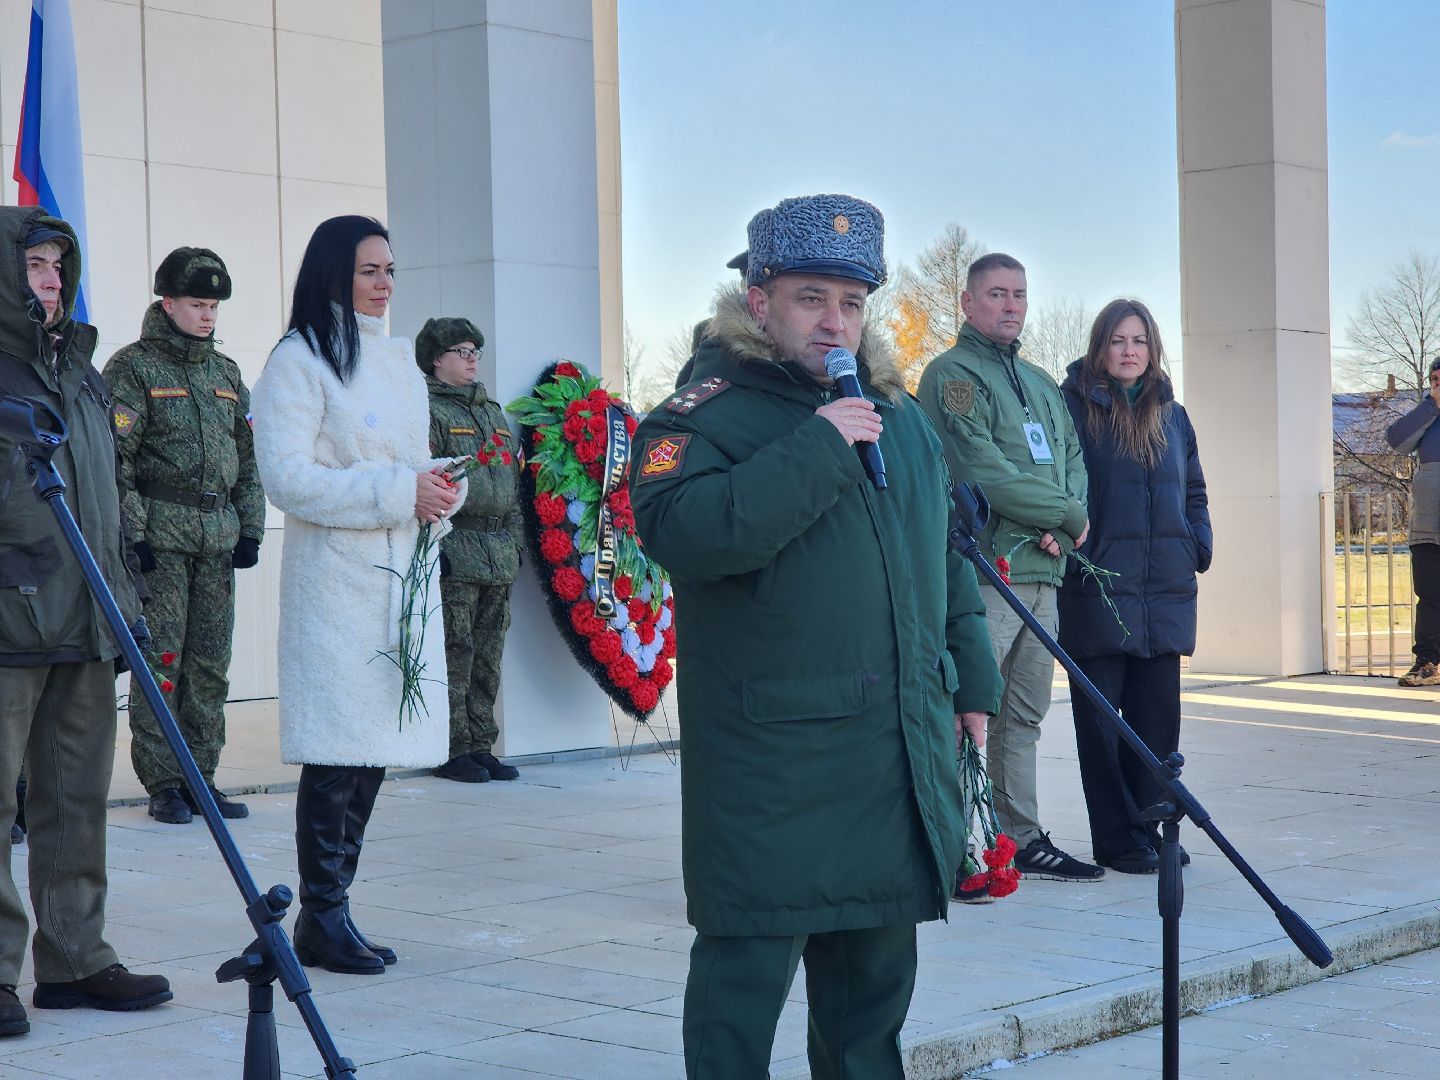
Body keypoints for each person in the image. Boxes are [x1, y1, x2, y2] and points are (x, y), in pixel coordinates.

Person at [630, 194, 1002, 1079]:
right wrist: (820, 447)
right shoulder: (696, 419)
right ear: (758, 301)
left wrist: (972, 681)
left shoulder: (900, 419)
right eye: (811, 298)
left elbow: (941, 558)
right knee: (741, 995)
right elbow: (690, 533)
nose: (835, 322)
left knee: (871, 1005)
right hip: (774, 765)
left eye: (852, 301)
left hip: (890, 750)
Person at [251, 216, 461, 975]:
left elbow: (407, 465)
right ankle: (323, 912)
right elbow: (287, 478)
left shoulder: (398, 361)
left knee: (372, 751)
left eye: (391, 270)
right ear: (333, 272)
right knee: (338, 752)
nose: (384, 284)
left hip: (398, 580)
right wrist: (400, 492)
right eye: (369, 269)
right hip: (338, 585)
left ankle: (331, 912)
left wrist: (439, 487)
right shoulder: (298, 360)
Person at [0, 208, 172, 1036]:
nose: (51, 279)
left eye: (57, 266)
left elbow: (104, 498)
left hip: (86, 618)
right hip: (8, 619)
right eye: (35, 264)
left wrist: (125, 605)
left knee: (76, 801)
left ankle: (75, 958)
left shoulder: (81, 370)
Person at [916, 253, 1103, 890]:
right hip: (987, 574)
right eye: (997, 293)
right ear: (967, 303)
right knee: (968, 713)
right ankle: (953, 845)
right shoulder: (951, 375)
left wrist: (1065, 526)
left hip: (1044, 571)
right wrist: (1068, 514)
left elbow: (1072, 460)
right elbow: (980, 468)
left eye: (1019, 294)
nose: (1011, 305)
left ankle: (1018, 840)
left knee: (1023, 717)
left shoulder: (1041, 380)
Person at [103, 247, 265, 824]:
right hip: (162, 543)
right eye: (197, 304)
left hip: (216, 541)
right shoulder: (133, 368)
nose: (207, 315)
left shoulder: (226, 373)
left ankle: (202, 777)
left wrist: (251, 528)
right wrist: (134, 537)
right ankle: (165, 783)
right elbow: (114, 460)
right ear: (168, 303)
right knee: (162, 662)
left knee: (210, 666)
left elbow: (247, 458)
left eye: (213, 306)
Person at [1058, 299, 1212, 873]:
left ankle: (1151, 827)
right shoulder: (1073, 408)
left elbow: (1194, 487)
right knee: (1101, 724)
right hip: (1098, 586)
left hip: (1164, 587)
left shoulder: (1172, 414)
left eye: (1139, 341)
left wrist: (1197, 542)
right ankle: (1116, 838)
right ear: (1100, 346)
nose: (1129, 351)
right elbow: (1059, 484)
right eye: (1118, 340)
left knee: (1156, 720)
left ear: (1153, 348)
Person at [416, 317, 524, 783]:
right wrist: (434, 545)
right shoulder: (426, 409)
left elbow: (512, 485)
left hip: (497, 552)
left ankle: (481, 744)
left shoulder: (491, 412)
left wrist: (515, 545)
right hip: (456, 550)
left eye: (475, 351)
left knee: (487, 657)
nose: (472, 359)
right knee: (454, 653)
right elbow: (426, 479)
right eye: (461, 351)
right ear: (436, 359)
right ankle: (452, 748)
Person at [1385, 356, 1440, 687]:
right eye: (1434, 379)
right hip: (1428, 526)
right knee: (1430, 596)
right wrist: (1432, 406)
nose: (1438, 384)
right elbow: (1396, 440)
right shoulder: (1427, 416)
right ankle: (1428, 663)